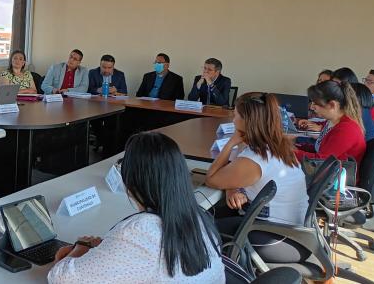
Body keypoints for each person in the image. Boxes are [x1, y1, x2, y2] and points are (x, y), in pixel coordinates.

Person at [48, 132, 224, 283]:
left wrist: (81, 246)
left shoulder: (138, 232)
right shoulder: (199, 217)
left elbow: (60, 278)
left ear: (131, 182)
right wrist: (109, 249)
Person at [206, 93, 309, 263]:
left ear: (248, 120)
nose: (233, 120)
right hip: (296, 234)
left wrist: (231, 142)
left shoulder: (255, 158)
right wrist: (233, 188)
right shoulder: (277, 146)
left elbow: (211, 178)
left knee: (198, 230)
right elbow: (234, 172)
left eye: (236, 115)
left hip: (278, 239)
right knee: (214, 213)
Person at [294, 80, 366, 166]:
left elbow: (321, 160)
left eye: (316, 103)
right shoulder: (332, 121)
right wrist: (295, 147)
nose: (312, 107)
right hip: (325, 172)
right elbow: (320, 149)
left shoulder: (347, 129)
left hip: (335, 177)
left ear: (332, 105)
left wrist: (289, 153)